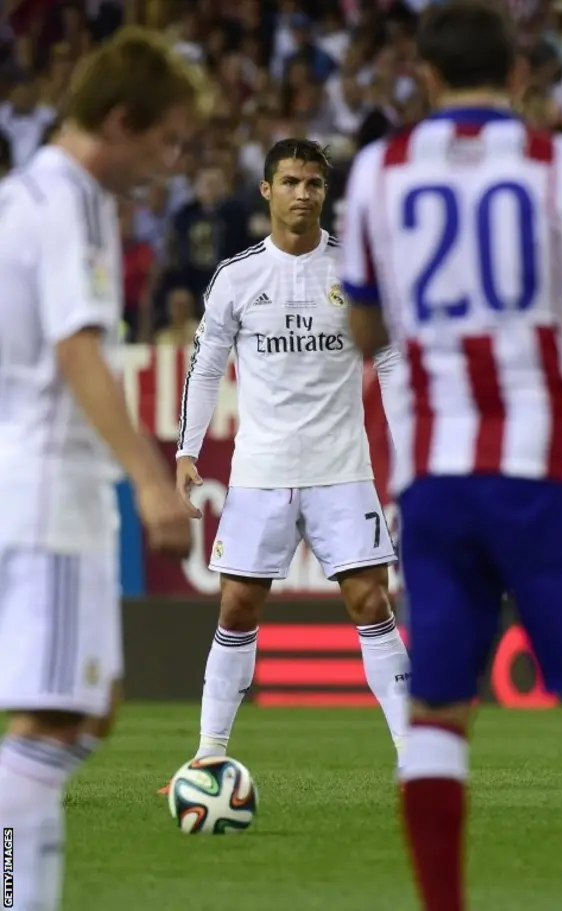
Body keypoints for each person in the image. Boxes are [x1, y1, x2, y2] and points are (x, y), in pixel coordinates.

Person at [341, 3, 562, 910]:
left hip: (435, 472)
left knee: (436, 711)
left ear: (423, 78)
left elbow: (362, 325)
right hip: (547, 460)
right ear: (517, 75)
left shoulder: (378, 172)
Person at [0, 27, 200, 911]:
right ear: (121, 121)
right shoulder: (73, 199)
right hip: (50, 489)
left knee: (93, 706)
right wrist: (150, 477)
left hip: (36, 482)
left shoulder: (22, 195)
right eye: (165, 142)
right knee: (51, 722)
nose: (169, 164)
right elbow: (77, 348)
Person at [158, 138, 409, 792]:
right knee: (237, 605)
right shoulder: (238, 276)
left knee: (370, 598)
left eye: (314, 184)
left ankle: (416, 757)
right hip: (260, 470)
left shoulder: (354, 271)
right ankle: (210, 755)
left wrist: (410, 446)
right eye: (292, 182)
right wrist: (187, 449)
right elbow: (206, 364)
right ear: (266, 190)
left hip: (341, 466)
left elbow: (389, 361)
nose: (304, 194)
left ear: (326, 194)